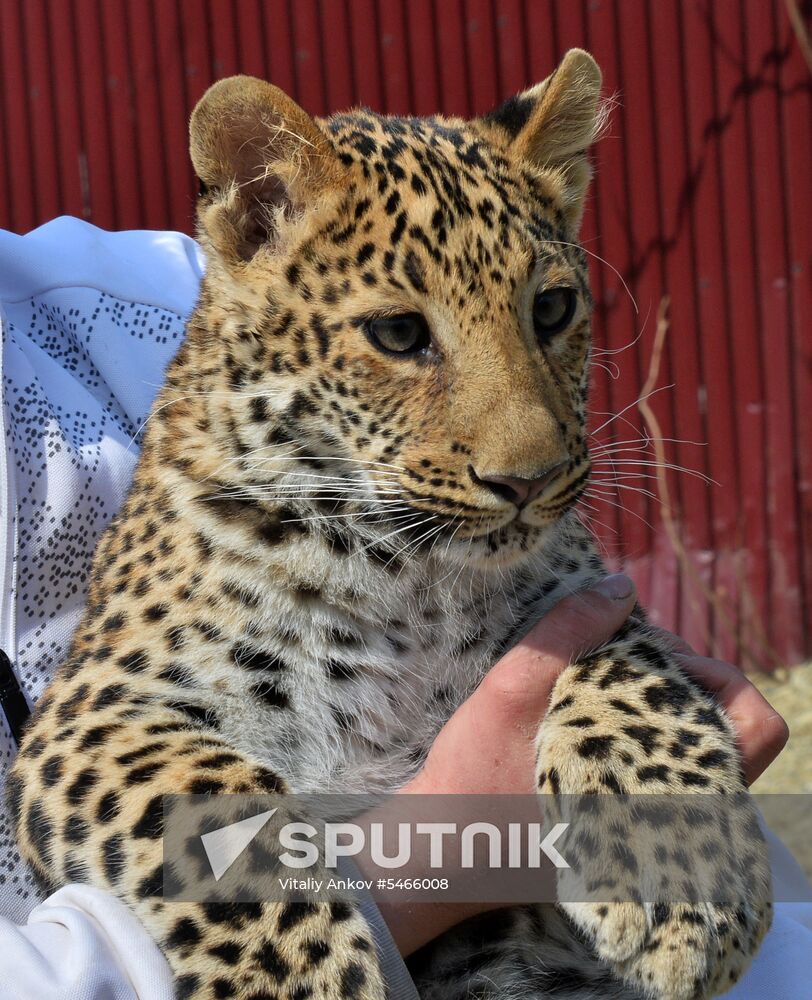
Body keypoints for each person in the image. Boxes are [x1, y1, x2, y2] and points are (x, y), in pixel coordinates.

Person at [0, 218, 807, 999]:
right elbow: (77, 771)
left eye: (549, 313)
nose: (525, 449)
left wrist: (634, 720)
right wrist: (308, 910)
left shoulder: (143, 293)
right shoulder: (206, 482)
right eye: (400, 333)